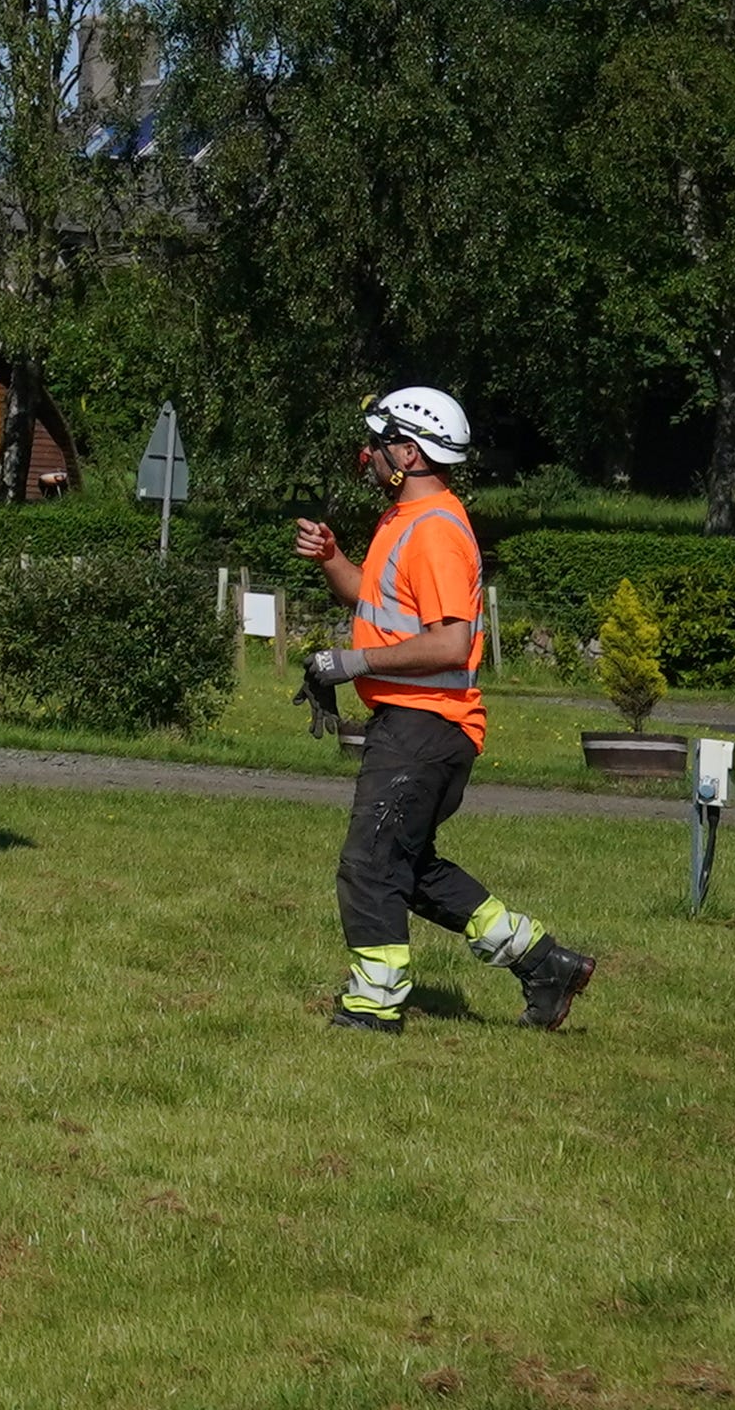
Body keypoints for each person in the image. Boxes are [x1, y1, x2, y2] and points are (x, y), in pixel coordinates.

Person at [291, 382, 593, 1033]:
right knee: (408, 865)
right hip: (416, 722)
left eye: (376, 442)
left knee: (371, 862)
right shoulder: (402, 521)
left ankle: (374, 1003)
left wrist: (353, 663)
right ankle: (543, 961)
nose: (365, 454)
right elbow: (371, 606)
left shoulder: (435, 531)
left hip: (427, 724)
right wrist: (333, 558)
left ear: (409, 450)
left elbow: (453, 642)